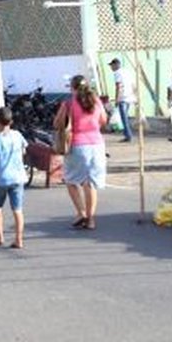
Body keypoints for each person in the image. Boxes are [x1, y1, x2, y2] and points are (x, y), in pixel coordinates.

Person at [55, 74, 107, 231]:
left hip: (78, 145)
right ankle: (91, 220)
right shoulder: (96, 100)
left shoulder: (69, 103)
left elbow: (57, 123)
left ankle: (81, 212)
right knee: (90, 184)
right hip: (97, 145)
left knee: (71, 180)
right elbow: (103, 120)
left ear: (72, 88)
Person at [0, 106, 28, 249]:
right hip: (18, 177)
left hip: (2, 179)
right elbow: (23, 150)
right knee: (17, 210)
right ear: (11, 122)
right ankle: (19, 239)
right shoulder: (17, 135)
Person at [108, 57, 136, 143]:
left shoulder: (117, 73)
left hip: (123, 98)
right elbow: (133, 85)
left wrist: (117, 99)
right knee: (124, 117)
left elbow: (118, 86)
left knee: (124, 118)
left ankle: (128, 135)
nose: (111, 68)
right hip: (129, 97)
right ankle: (127, 134)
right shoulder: (127, 72)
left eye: (111, 65)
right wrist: (135, 96)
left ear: (116, 65)